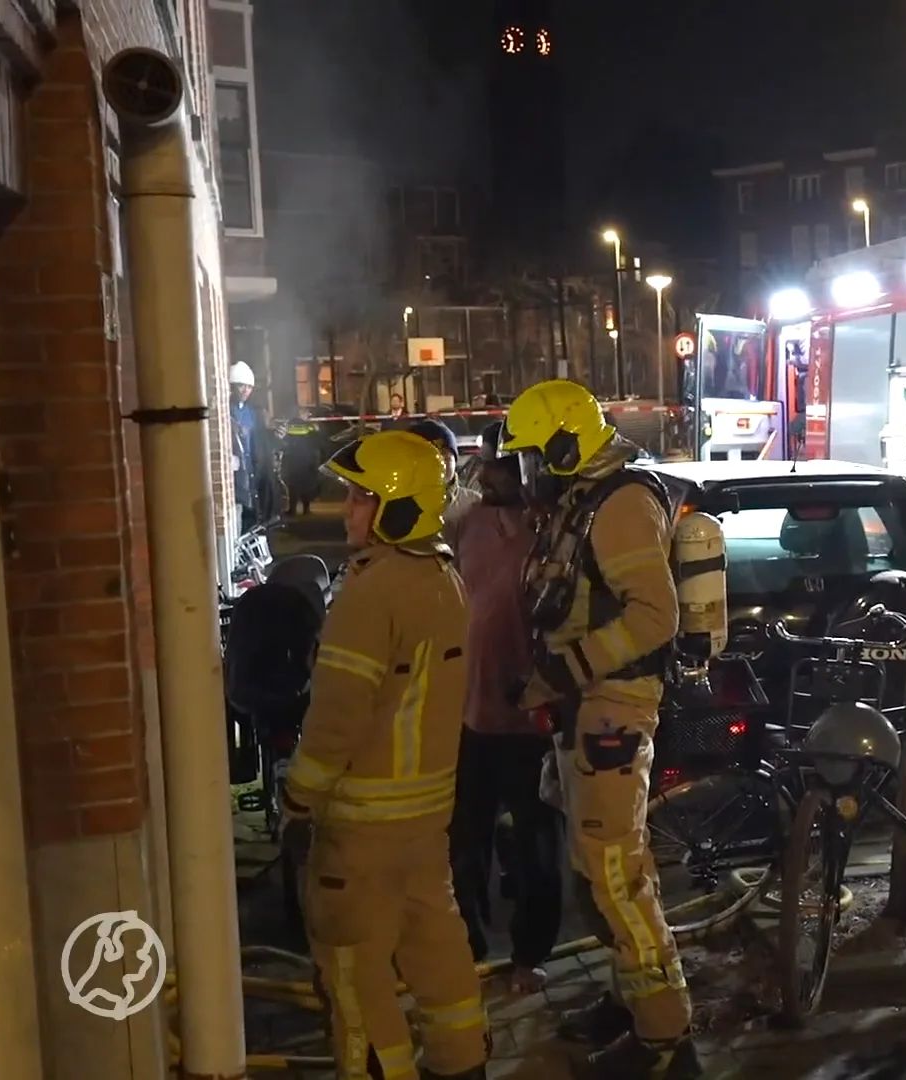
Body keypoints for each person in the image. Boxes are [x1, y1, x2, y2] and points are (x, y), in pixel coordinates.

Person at [500, 379, 697, 1080]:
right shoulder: (585, 498)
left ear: (565, 444)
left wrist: (563, 670)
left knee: (617, 873)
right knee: (595, 869)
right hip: (586, 706)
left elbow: (654, 616)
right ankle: (630, 1003)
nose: (526, 473)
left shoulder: (620, 505)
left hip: (613, 707)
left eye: (532, 457)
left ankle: (667, 1038)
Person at [280, 429, 488, 1080]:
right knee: (437, 955)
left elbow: (337, 718)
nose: (345, 509)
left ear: (398, 509)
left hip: (361, 833)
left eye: (358, 498)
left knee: (356, 979)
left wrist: (296, 798)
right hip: (425, 824)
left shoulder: (371, 591)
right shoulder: (444, 578)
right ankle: (463, 1066)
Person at [446, 422, 565, 995]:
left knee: (538, 845)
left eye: (502, 464)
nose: (487, 473)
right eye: (486, 463)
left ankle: (528, 956)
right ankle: (465, 949)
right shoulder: (467, 523)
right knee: (462, 843)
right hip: (468, 717)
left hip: (532, 721)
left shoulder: (555, 533)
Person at [230, 361, 275, 529]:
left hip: (252, 470)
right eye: (241, 386)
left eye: (249, 387)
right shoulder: (228, 410)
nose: (245, 391)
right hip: (237, 473)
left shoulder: (253, 412)